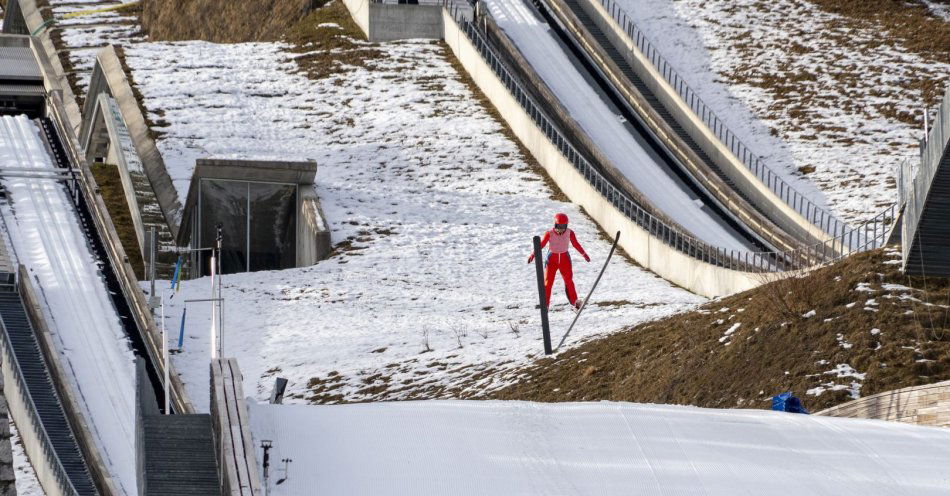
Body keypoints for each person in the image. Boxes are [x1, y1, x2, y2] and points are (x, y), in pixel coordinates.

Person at [527, 213, 590, 312]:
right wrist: (532, 255)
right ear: (555, 225)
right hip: (551, 260)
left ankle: (575, 303)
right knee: (548, 283)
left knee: (569, 281)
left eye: (563, 226)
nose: (561, 229)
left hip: (565, 259)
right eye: (558, 226)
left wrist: (584, 254)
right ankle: (545, 305)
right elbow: (541, 245)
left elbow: (575, 244)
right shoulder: (549, 233)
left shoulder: (570, 233)